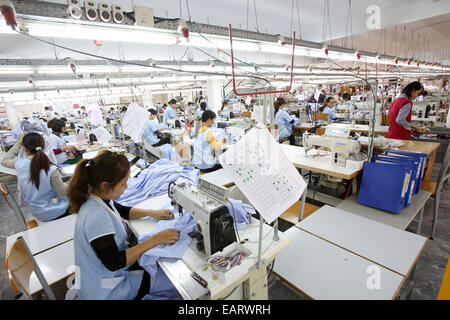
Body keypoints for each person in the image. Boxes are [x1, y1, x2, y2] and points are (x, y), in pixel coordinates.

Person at [68, 151, 179, 300]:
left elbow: (123, 211)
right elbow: (115, 262)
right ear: (105, 185)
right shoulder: (97, 216)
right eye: (123, 183)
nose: (126, 187)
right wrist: (157, 238)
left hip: (101, 276)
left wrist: (153, 213)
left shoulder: (98, 199)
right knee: (174, 282)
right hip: (106, 290)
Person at [1, 133, 69, 222]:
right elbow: (62, 192)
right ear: (44, 147)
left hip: (37, 213)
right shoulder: (50, 168)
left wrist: (18, 143)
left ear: (25, 149)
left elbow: (4, 160)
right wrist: (71, 183)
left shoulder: (19, 164)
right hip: (56, 211)